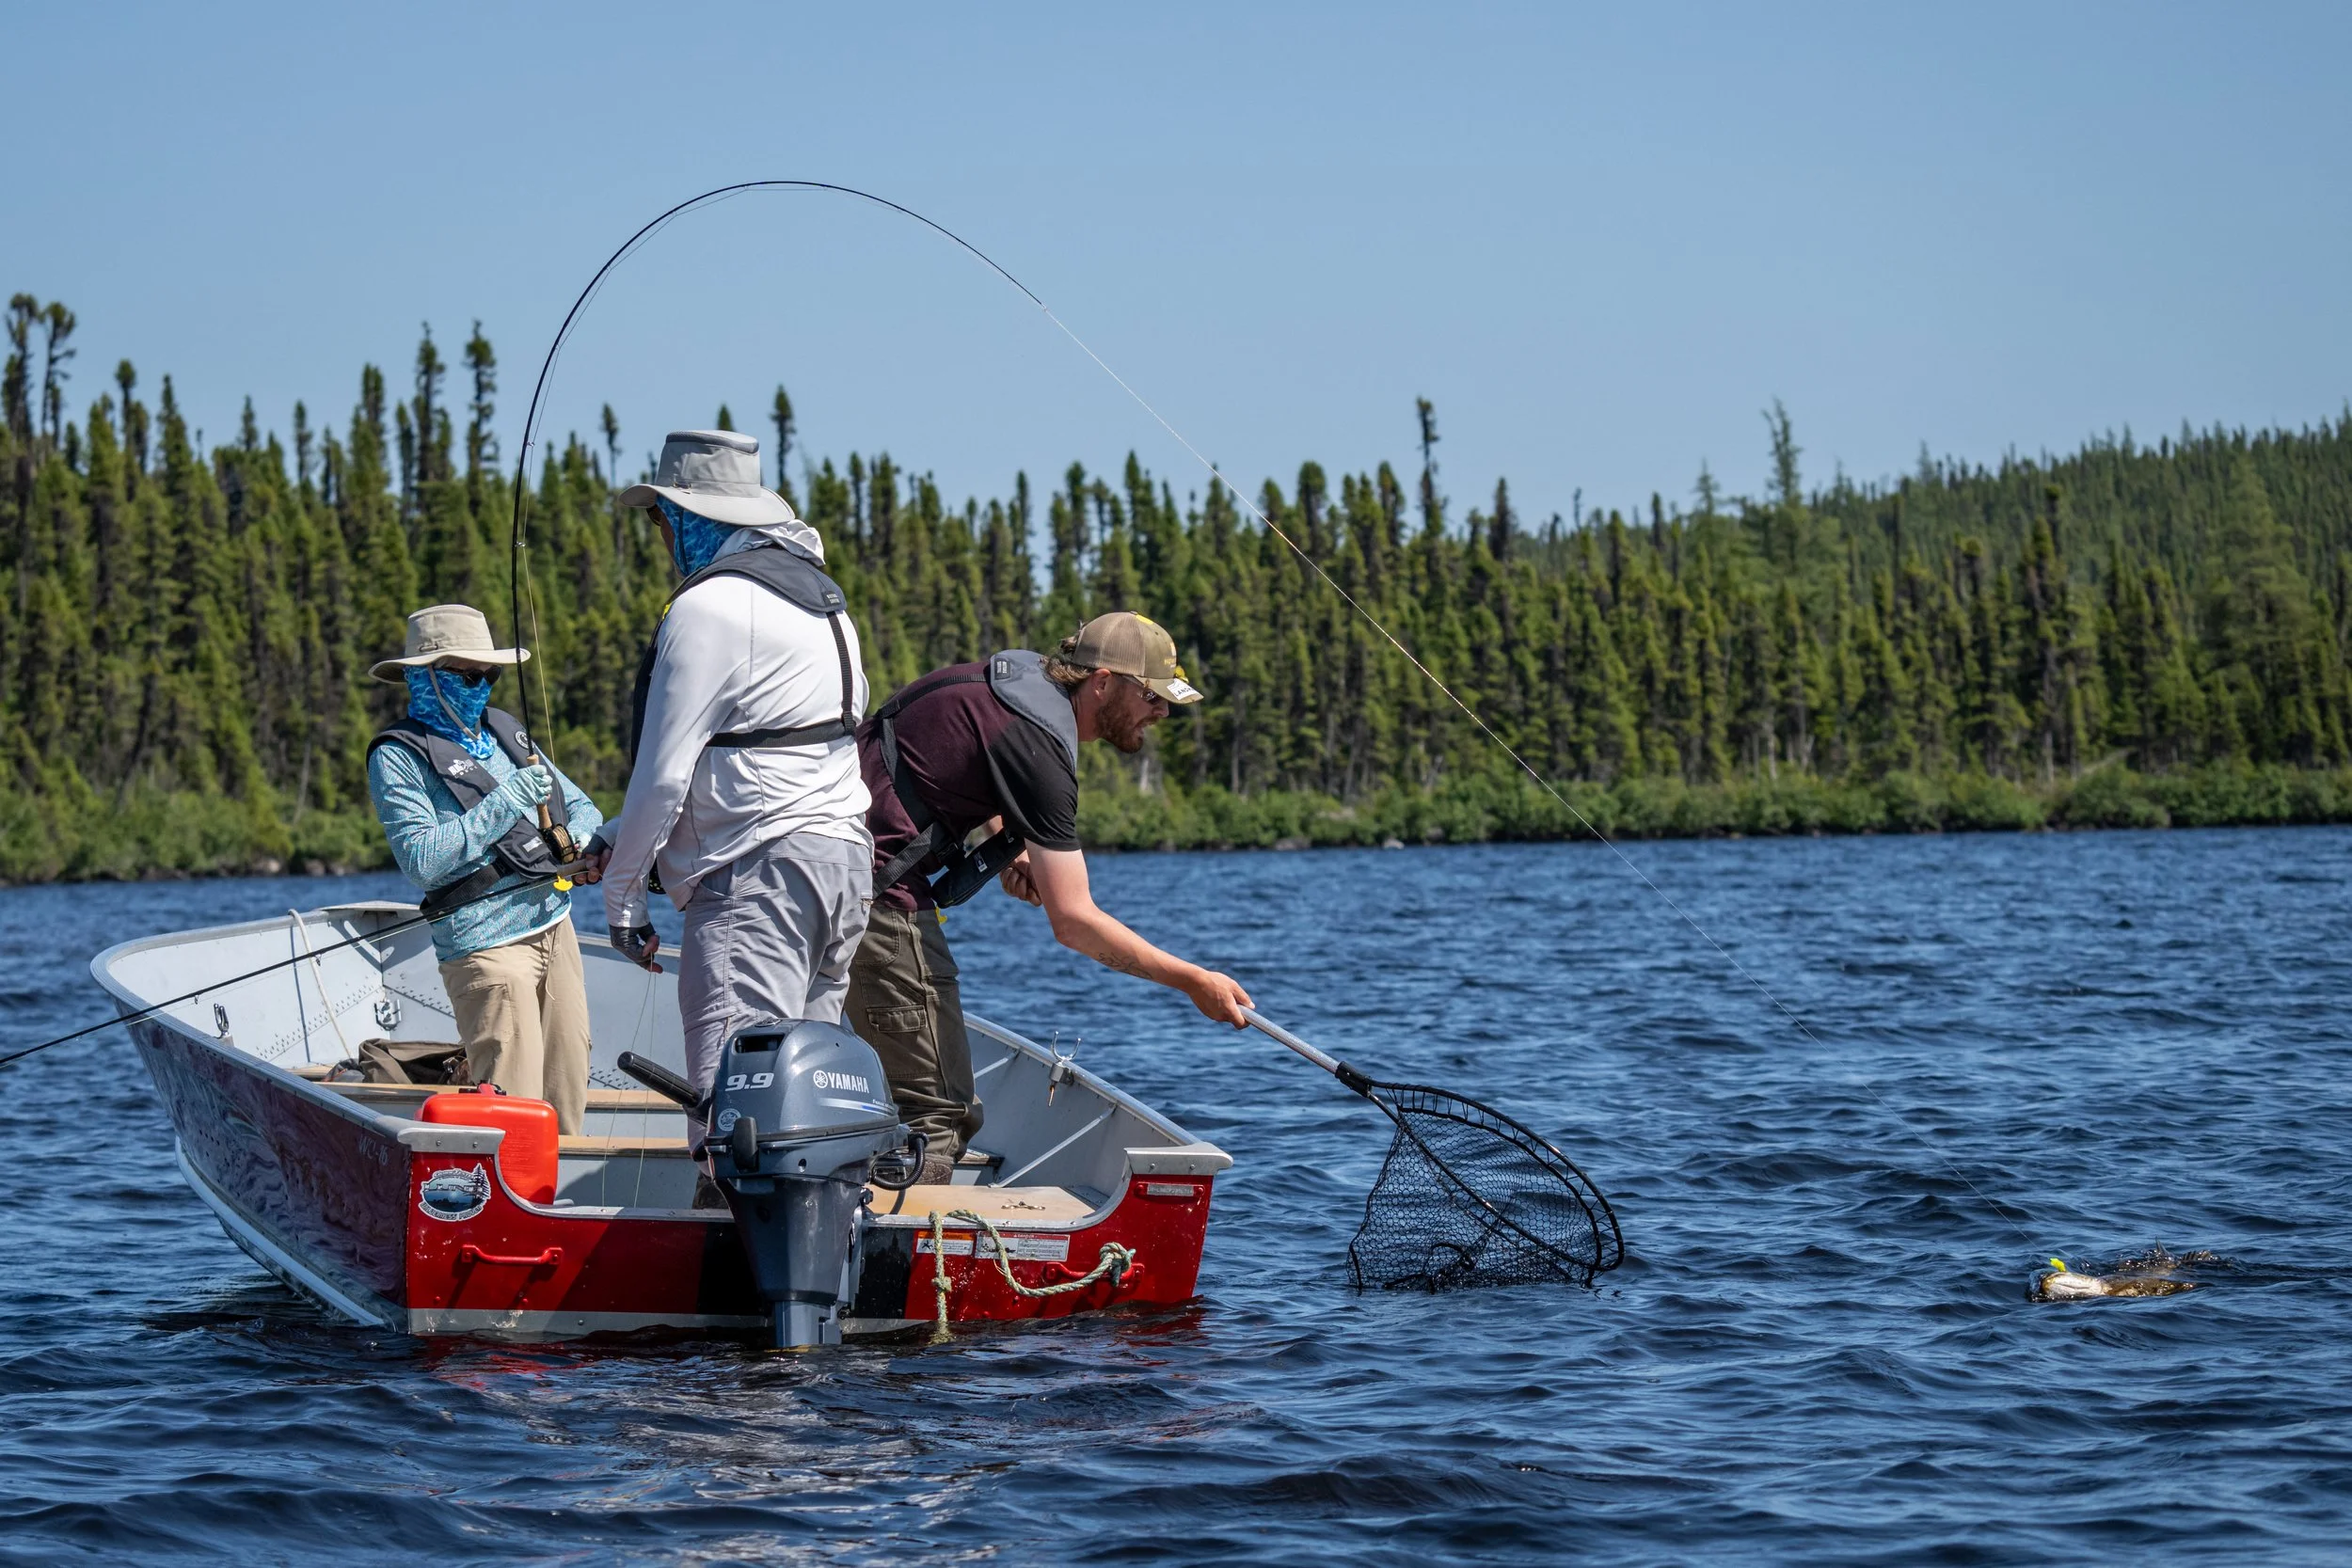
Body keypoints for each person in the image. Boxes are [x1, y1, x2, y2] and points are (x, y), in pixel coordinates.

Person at [850, 610, 1253, 1181]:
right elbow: (1074, 922)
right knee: (938, 1115)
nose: (1163, 712)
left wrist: (1009, 850)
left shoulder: (1002, 691)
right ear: (1104, 682)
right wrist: (1192, 981)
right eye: (1152, 697)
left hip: (809, 869)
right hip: (869, 896)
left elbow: (950, 765)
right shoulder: (1040, 748)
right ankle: (904, 1259)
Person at [591, 430, 874, 1146]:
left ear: (690, 517)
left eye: (659, 518)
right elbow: (765, 753)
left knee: (736, 1113)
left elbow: (664, 774)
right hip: (842, 868)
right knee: (804, 1111)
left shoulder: (707, 607)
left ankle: (730, 1247)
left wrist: (622, 898)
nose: (659, 534)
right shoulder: (825, 604)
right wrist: (617, 838)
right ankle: (815, 1245)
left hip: (757, 886)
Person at [366, 604, 605, 1134]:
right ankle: (511, 1207)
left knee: (568, 1089)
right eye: (470, 675)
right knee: (515, 1107)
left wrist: (579, 845)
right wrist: (505, 802)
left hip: (555, 929)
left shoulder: (504, 733)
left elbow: (584, 808)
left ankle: (557, 1202)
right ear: (426, 677)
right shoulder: (398, 757)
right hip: (486, 950)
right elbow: (423, 862)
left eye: (491, 675)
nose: (484, 687)